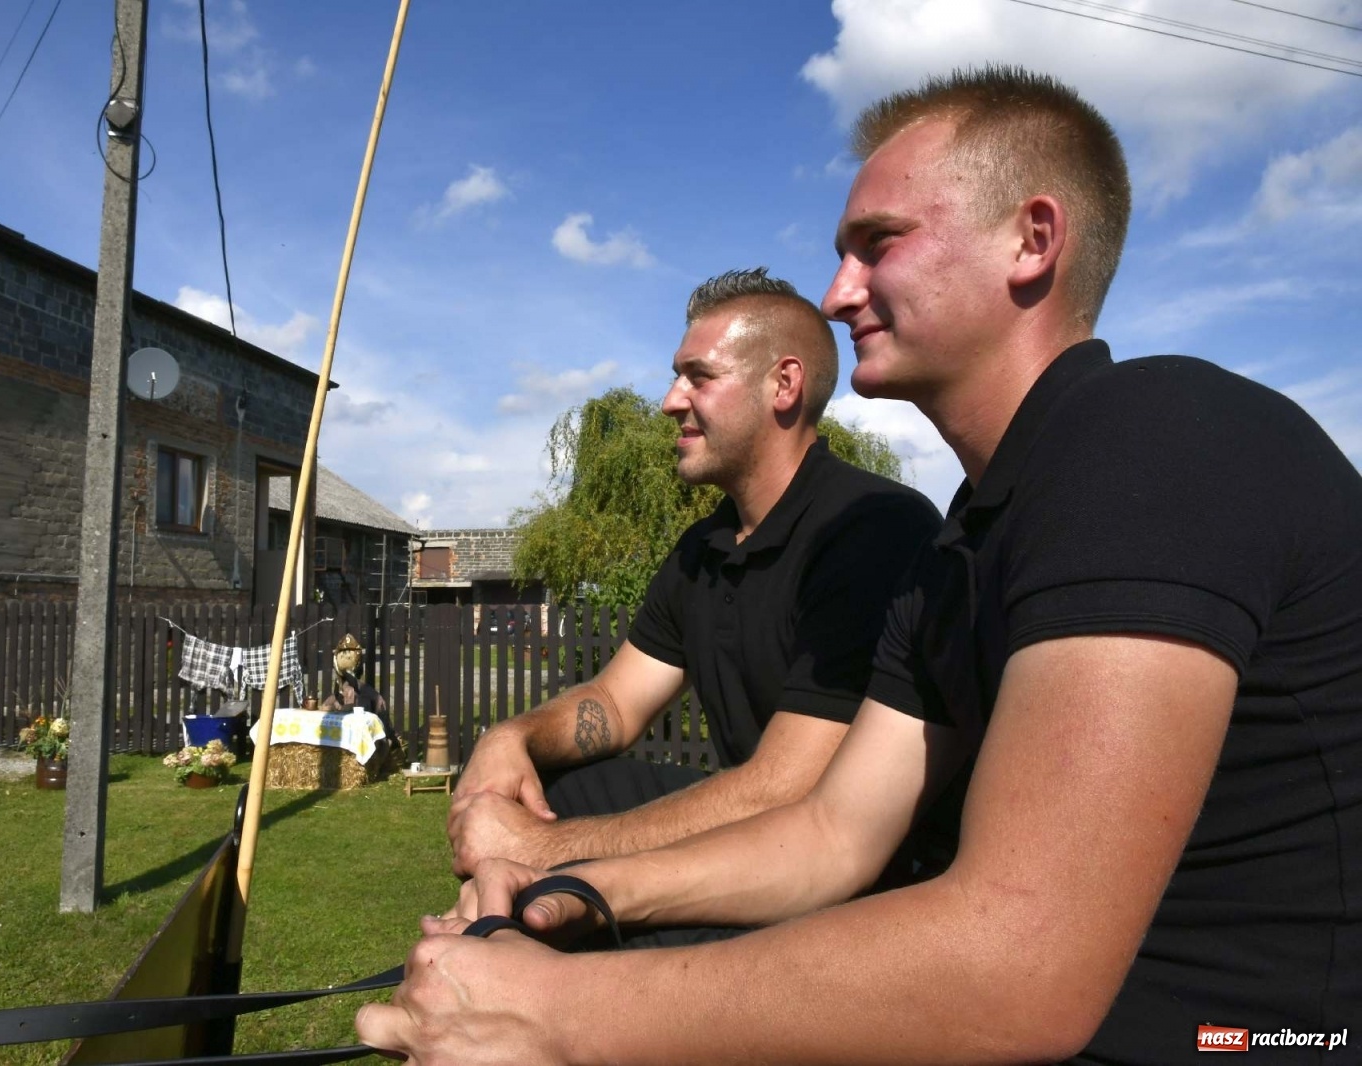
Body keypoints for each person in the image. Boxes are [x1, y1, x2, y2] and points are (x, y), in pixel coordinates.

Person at [358, 66, 1362, 1064]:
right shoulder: (958, 549)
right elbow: (832, 836)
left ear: (1032, 239)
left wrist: (547, 1012)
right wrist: (569, 896)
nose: (838, 294)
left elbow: (1015, 965)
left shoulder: (1148, 438)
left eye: (877, 246)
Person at [446, 268, 940, 900]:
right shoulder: (701, 550)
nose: (670, 401)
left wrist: (542, 850)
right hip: (758, 841)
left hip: (865, 887)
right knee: (557, 789)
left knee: (540, 847)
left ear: (783, 385)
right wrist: (510, 739)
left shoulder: (870, 529)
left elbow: (788, 788)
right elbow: (617, 705)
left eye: (699, 377)